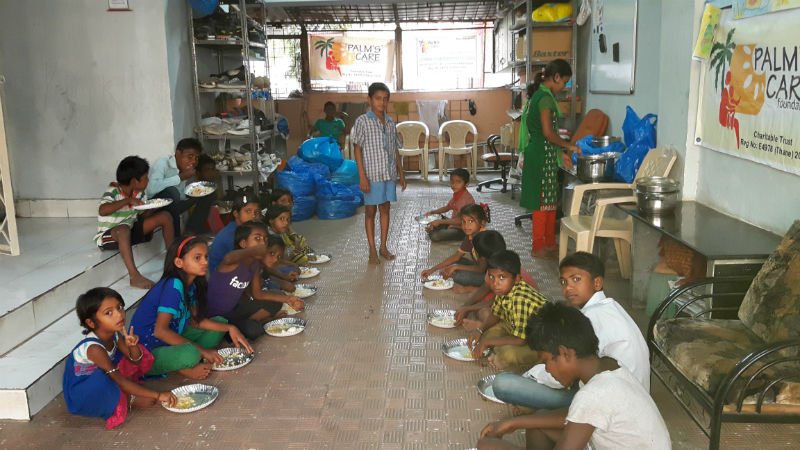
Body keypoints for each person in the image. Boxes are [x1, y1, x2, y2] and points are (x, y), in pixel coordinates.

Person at [476, 303, 670, 450]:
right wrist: (513, 423)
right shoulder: (607, 365)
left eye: (546, 362)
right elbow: (575, 416)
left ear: (565, 354)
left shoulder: (594, 394)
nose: (547, 370)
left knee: (488, 447)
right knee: (537, 424)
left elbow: (582, 411)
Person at [492, 251, 650, 411]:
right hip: (634, 395)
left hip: (614, 404)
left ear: (597, 283)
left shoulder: (591, 318)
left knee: (504, 385)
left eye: (576, 279)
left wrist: (530, 376)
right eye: (563, 281)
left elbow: (560, 375)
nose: (568, 287)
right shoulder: (610, 306)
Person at [130, 235, 253, 380]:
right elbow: (160, 331)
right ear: (179, 262)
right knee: (192, 353)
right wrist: (202, 351)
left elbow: (195, 321)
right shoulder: (173, 285)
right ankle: (183, 367)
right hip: (148, 351)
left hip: (172, 340)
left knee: (220, 322)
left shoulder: (191, 285)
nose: (205, 262)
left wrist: (231, 328)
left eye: (206, 257)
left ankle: (190, 358)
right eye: (197, 258)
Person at [63, 287, 176, 429]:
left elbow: (136, 360)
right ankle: (125, 399)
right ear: (91, 323)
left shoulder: (114, 334)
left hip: (107, 377)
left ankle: (126, 394)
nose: (119, 314)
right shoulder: (94, 349)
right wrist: (158, 395)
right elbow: (120, 381)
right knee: (107, 378)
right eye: (108, 313)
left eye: (120, 307)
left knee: (140, 353)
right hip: (84, 393)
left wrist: (133, 346)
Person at [521, 59, 579, 258]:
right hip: (540, 155)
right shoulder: (544, 99)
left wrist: (559, 153)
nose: (564, 86)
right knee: (541, 203)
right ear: (556, 77)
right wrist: (568, 146)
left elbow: (546, 135)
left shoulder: (541, 95)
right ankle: (538, 245)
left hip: (545, 153)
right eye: (564, 82)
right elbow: (547, 133)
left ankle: (549, 242)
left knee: (549, 201)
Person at [207, 225, 305, 340]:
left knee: (277, 296)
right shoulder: (232, 262)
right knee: (254, 331)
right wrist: (253, 251)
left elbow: (258, 294)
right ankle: (246, 326)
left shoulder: (255, 265)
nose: (262, 243)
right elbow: (228, 257)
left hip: (236, 311)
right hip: (216, 317)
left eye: (265, 240)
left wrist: (288, 299)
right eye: (257, 238)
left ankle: (254, 322)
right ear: (243, 244)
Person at [95, 156, 174, 289]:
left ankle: (172, 262)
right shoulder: (113, 191)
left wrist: (154, 207)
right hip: (111, 236)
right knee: (123, 229)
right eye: (145, 177)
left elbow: (142, 215)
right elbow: (103, 210)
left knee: (165, 216)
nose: (148, 180)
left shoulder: (140, 194)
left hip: (130, 229)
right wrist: (127, 201)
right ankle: (134, 276)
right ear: (134, 181)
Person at [352, 82, 407, 264]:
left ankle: (383, 247)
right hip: (371, 175)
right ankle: (372, 250)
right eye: (378, 98)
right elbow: (357, 149)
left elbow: (395, 149)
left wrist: (401, 174)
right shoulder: (362, 121)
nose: (382, 103)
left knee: (385, 208)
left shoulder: (390, 122)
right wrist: (362, 177)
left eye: (385, 99)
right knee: (370, 211)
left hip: (388, 174)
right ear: (369, 99)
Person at [466, 250, 548, 371]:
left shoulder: (520, 299)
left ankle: (537, 360)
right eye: (491, 277)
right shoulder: (503, 289)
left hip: (541, 340)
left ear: (517, 279)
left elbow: (521, 340)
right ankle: (495, 348)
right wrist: (479, 330)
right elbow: (495, 314)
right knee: (486, 335)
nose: (495, 283)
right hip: (519, 328)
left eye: (501, 277)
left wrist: (488, 342)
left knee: (507, 354)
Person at [455, 231, 539, 330]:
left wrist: (468, 309)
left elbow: (494, 303)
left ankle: (485, 327)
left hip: (523, 313)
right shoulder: (494, 267)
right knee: (478, 303)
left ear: (482, 258)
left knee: (484, 312)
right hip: (505, 303)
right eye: (492, 277)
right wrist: (466, 306)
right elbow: (485, 287)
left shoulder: (508, 275)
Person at [146, 138, 215, 237]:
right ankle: (177, 240)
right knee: (172, 192)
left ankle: (191, 232)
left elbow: (181, 196)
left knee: (206, 191)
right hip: (155, 208)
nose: (193, 162)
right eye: (190, 157)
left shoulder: (183, 169)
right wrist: (180, 177)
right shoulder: (163, 163)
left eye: (196, 158)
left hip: (174, 205)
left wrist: (195, 192)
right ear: (178, 154)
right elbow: (151, 189)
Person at [421, 204, 488, 291]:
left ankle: (472, 288)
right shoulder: (470, 236)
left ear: (482, 223)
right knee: (456, 261)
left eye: (471, 221)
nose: (466, 226)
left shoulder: (483, 239)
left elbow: (481, 268)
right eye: (463, 222)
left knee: (460, 277)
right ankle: (455, 271)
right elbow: (456, 256)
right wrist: (432, 270)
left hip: (490, 276)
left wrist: (456, 267)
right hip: (480, 267)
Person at [208, 194, 261, 273]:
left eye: (256, 212)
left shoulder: (244, 229)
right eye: (248, 211)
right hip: (222, 276)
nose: (253, 216)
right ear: (236, 214)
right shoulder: (231, 235)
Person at [424, 168, 475, 242]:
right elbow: (447, 207)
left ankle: (436, 230)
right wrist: (432, 212)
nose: (454, 185)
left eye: (458, 182)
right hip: (453, 224)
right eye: (452, 182)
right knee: (435, 216)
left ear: (466, 184)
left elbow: (459, 221)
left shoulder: (465, 199)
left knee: (435, 236)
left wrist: (439, 222)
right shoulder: (458, 194)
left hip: (463, 229)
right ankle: (436, 228)